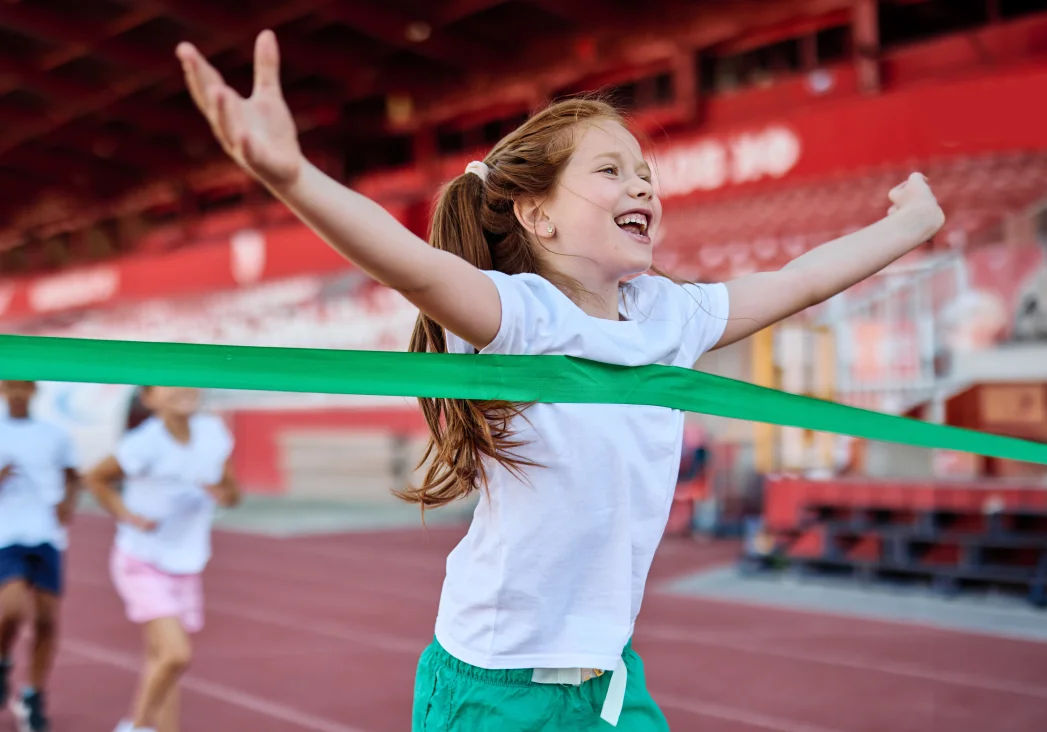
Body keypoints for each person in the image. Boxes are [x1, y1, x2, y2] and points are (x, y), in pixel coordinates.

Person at [175, 30, 946, 730]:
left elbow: (798, 281)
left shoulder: (666, 317)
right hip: (493, 687)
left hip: (608, 682)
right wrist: (291, 176)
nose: (642, 187)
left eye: (645, 174)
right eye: (611, 172)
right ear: (536, 217)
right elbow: (405, 262)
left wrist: (905, 227)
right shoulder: (519, 315)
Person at [84, 387, 239, 732]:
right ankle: (136, 726)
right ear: (149, 398)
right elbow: (95, 478)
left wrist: (223, 494)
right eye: (167, 384)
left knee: (162, 662)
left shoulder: (213, 433)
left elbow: (233, 492)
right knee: (176, 654)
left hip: (186, 563)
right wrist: (126, 514)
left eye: (185, 380)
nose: (181, 388)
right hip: (141, 558)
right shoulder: (143, 443)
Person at [0, 380, 80, 732]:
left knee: (47, 621)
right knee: (12, 610)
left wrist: (67, 503)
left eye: (24, 387)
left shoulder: (54, 434)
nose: (17, 393)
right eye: (10, 386)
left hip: (46, 534)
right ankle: (2, 662)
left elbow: (73, 476)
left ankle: (33, 694)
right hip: (5, 534)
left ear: (34, 390)